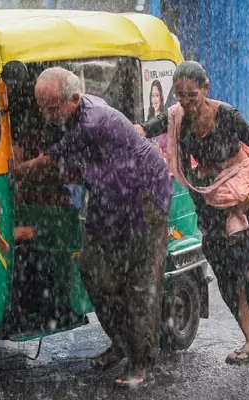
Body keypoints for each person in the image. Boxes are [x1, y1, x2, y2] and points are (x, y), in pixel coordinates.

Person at [14, 67, 172, 387]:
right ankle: (122, 342)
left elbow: (56, 159)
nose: (46, 115)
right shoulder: (75, 112)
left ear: (73, 99)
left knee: (139, 282)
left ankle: (141, 362)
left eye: (52, 107)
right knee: (93, 270)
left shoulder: (92, 121)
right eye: (41, 107)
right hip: (108, 196)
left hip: (143, 197)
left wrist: (19, 171)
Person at [134, 61, 249, 364]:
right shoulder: (177, 118)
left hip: (243, 201)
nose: (186, 102)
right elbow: (149, 127)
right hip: (210, 202)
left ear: (206, 89)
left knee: (248, 265)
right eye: (180, 95)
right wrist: (132, 131)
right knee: (226, 276)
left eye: (192, 95)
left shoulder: (227, 116)